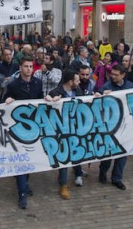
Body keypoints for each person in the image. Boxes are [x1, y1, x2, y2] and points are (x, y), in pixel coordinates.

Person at [4, 56, 43, 209]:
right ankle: (22, 193)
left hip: (33, 127)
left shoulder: (38, 83)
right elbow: (6, 99)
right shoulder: (13, 85)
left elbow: (39, 100)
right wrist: (7, 99)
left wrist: (46, 99)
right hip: (18, 128)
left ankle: (25, 183)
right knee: (22, 161)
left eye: (30, 66)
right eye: (26, 66)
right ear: (20, 67)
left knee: (29, 159)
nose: (28, 69)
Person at [46, 69, 86, 199]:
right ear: (70, 82)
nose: (79, 81)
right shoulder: (55, 92)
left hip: (76, 128)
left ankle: (78, 172)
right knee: (65, 156)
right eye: (77, 79)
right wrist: (52, 101)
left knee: (77, 151)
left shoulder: (78, 91)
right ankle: (63, 184)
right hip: (61, 130)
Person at [95, 65, 133, 191]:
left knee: (123, 153)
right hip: (110, 126)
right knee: (109, 153)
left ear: (123, 75)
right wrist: (100, 95)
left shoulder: (130, 86)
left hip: (125, 126)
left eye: (116, 74)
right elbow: (97, 96)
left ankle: (117, 178)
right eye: (112, 74)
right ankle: (103, 172)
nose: (113, 76)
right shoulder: (107, 86)